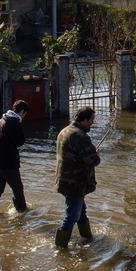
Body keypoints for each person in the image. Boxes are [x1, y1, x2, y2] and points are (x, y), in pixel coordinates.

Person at [54, 106, 101, 248]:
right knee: (72, 216)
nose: (92, 123)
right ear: (85, 120)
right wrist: (95, 153)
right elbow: (94, 161)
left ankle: (87, 238)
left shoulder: (64, 131)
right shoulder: (80, 136)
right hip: (75, 183)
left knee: (80, 211)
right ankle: (60, 248)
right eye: (91, 120)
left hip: (64, 180)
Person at [0, 99, 30, 213]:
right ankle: (22, 212)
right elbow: (20, 141)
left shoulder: (1, 120)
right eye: (25, 114)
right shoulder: (14, 122)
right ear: (22, 112)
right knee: (18, 189)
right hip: (8, 164)